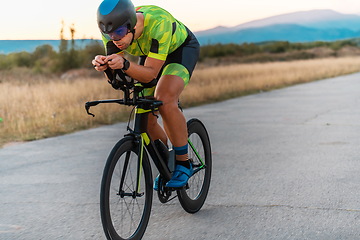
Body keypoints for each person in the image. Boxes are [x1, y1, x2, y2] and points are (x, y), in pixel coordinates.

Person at [92, 0, 200, 189]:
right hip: (151, 54)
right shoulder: (113, 30)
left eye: (118, 33)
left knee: (164, 99)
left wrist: (125, 64)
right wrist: (106, 67)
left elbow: (150, 73)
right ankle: (168, 165)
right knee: (146, 119)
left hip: (180, 51)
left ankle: (183, 162)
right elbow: (118, 75)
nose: (114, 39)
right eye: (108, 34)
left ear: (132, 25)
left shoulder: (159, 24)